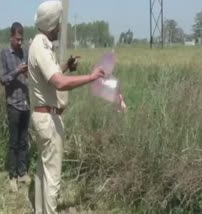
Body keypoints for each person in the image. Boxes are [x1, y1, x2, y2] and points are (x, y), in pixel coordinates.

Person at [28, 1, 127, 213]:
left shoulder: (40, 45)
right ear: (53, 23)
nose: (62, 27)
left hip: (44, 117)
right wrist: (91, 77)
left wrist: (66, 67)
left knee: (43, 173)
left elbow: (51, 75)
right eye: (60, 22)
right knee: (52, 177)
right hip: (49, 120)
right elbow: (59, 82)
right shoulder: (41, 47)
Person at [0, 22, 31, 192]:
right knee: (13, 142)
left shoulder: (25, 52)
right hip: (13, 104)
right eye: (17, 39)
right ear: (11, 37)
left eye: (22, 39)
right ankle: (12, 176)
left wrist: (26, 73)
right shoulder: (4, 54)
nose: (20, 43)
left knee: (24, 140)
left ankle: (22, 172)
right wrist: (17, 71)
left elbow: (30, 75)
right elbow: (3, 79)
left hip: (26, 104)